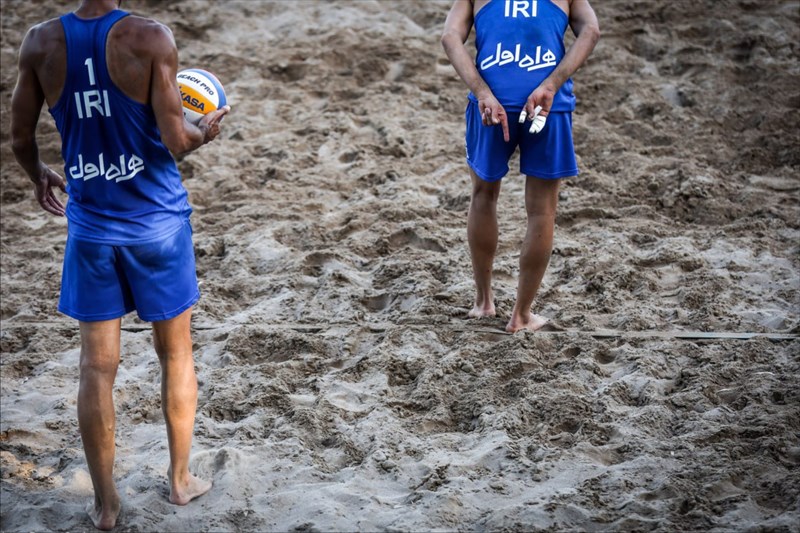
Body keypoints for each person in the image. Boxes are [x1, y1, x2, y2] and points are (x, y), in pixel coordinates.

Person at [10, 0, 229, 529]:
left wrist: (39, 171)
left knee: (95, 369)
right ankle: (179, 482)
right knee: (175, 355)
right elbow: (176, 141)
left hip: (91, 230)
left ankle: (106, 505)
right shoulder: (151, 38)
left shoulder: (40, 42)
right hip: (157, 226)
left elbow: (19, 140)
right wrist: (207, 132)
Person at [441, 0, 600, 332]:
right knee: (542, 211)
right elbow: (591, 29)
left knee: (483, 196)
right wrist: (553, 83)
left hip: (493, 99)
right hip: (545, 102)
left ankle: (484, 302)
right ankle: (521, 315)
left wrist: (481, 91)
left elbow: (450, 38)